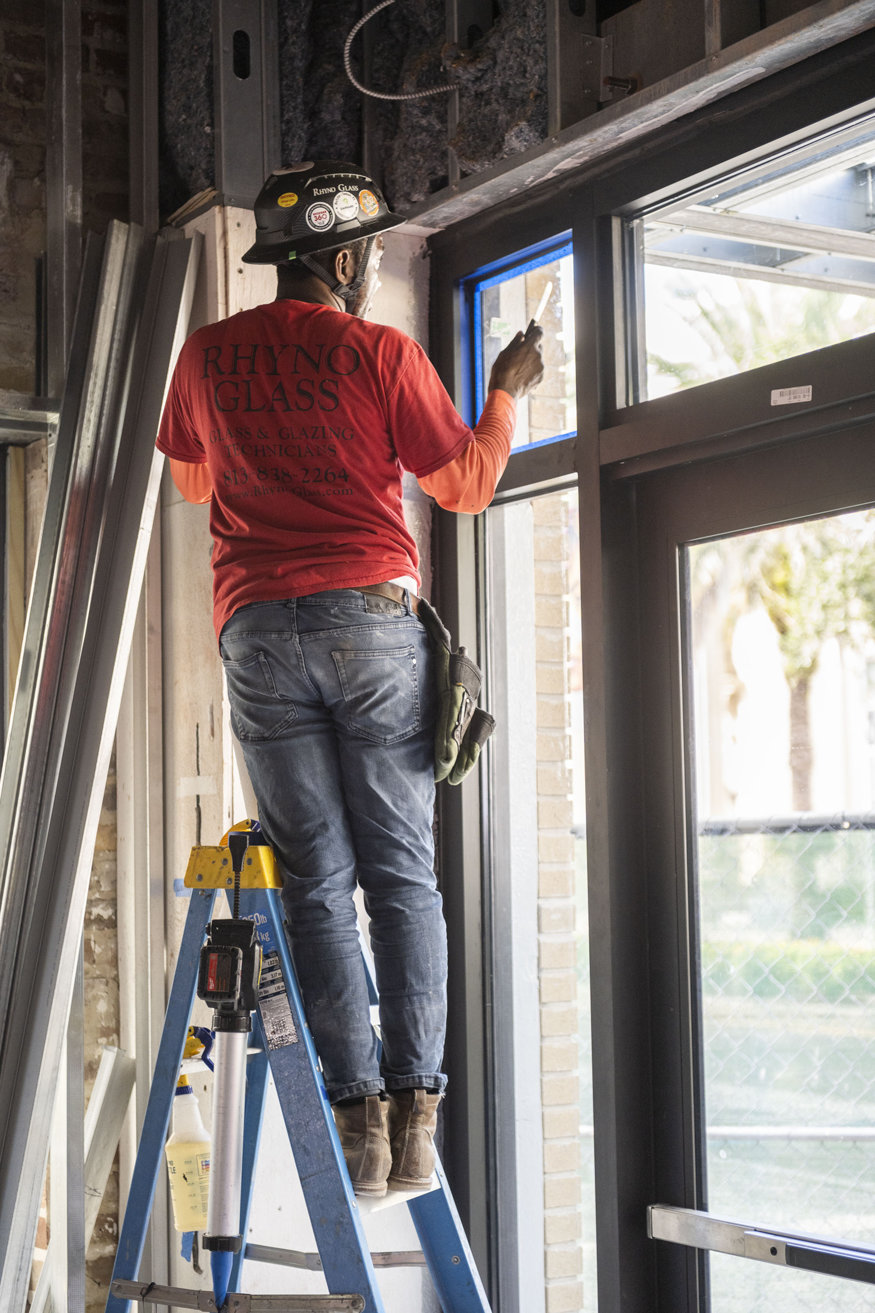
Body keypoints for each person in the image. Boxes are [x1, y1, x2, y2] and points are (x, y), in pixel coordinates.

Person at [157, 161, 543, 1198]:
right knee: (400, 878)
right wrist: (504, 395)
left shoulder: (203, 354)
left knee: (317, 883)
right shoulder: (377, 351)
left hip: (256, 630)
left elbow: (193, 476)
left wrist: (262, 451)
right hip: (367, 624)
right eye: (366, 253)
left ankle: (358, 1124)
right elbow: (460, 482)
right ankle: (417, 1124)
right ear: (344, 258)